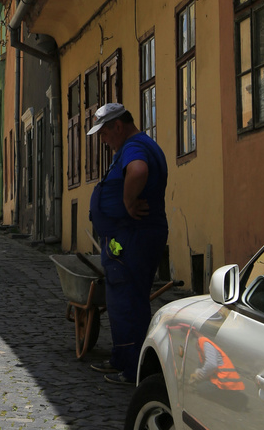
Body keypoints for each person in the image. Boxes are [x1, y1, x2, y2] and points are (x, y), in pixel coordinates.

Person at [87, 103, 168, 385]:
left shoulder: (135, 147)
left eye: (104, 133)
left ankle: (134, 370)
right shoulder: (137, 144)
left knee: (130, 303)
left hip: (133, 237)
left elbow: (137, 171)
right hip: (130, 236)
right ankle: (121, 360)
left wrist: (127, 201)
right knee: (122, 302)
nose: (103, 139)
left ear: (118, 127)